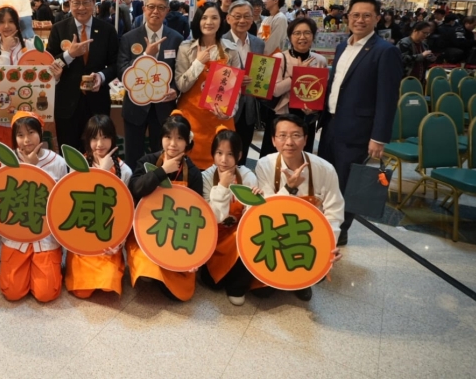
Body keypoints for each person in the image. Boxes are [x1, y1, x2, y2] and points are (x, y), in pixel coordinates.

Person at [318, 0, 401, 246]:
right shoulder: (342, 47)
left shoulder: (385, 51)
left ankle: (340, 231)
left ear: (377, 18)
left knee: (347, 182)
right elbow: (337, 85)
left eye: (366, 15)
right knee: (328, 178)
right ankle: (324, 222)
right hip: (331, 125)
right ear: (348, 18)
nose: (360, 20)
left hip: (358, 131)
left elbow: (387, 98)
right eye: (355, 15)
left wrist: (378, 137)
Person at [256, 114, 344, 301]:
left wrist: (330, 244)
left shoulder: (325, 169)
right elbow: (265, 210)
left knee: (318, 268)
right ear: (273, 140)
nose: (289, 142)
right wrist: (289, 188)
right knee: (262, 291)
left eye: (296, 135)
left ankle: (302, 282)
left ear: (305, 139)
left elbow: (334, 212)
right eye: (282, 136)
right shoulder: (265, 165)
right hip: (276, 230)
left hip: (307, 236)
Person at [127, 112, 204, 301]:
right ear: (161, 138)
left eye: (179, 138)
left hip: (178, 234)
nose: (173, 144)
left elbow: (198, 214)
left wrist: (196, 255)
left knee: (182, 293)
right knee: (146, 270)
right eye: (168, 137)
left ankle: (164, 275)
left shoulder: (193, 173)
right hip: (148, 230)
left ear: (187, 142)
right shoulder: (148, 161)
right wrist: (161, 171)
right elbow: (135, 189)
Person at [0, 112, 69, 302]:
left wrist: (34, 170)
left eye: (31, 133)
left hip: (45, 236)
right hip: (16, 234)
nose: (26, 140)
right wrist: (27, 170)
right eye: (20, 135)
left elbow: (62, 201)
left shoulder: (58, 162)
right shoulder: (8, 160)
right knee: (12, 292)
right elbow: (3, 199)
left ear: (40, 133)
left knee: (46, 294)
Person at [47, 0, 120, 151]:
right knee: (69, 151)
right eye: (76, 3)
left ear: (94, 3)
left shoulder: (107, 30)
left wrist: (101, 76)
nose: (81, 8)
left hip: (97, 102)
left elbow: (116, 64)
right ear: (69, 3)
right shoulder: (59, 29)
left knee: (98, 151)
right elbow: (49, 63)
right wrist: (69, 55)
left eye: (86, 2)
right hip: (67, 103)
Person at [65, 115, 132, 299]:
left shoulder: (124, 170)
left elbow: (125, 211)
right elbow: (70, 203)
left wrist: (119, 243)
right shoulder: (77, 165)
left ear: (113, 139)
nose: (100, 144)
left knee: (108, 285)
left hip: (107, 236)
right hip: (82, 234)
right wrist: (101, 172)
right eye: (94, 138)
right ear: (87, 140)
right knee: (81, 292)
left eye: (105, 137)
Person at [118, 0, 183, 166]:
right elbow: (122, 71)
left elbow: (180, 71)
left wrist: (175, 89)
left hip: (164, 107)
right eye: (151, 6)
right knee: (133, 156)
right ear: (144, 9)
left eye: (161, 8)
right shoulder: (128, 38)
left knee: (162, 156)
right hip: (135, 107)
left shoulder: (176, 39)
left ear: (167, 11)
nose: (156, 11)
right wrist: (146, 55)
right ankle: (134, 183)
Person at [175, 2, 238, 170]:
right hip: (191, 117)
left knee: (220, 167)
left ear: (221, 21)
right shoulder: (186, 48)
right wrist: (198, 63)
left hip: (220, 118)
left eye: (214, 18)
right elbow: (181, 85)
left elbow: (235, 89)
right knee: (188, 169)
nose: (209, 22)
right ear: (198, 21)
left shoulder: (230, 51)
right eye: (204, 18)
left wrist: (229, 112)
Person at [199, 129, 259, 305]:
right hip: (213, 238)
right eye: (219, 153)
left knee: (246, 238)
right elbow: (211, 217)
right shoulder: (206, 177)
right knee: (212, 284)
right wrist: (223, 187)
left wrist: (255, 201)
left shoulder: (247, 176)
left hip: (238, 239)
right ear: (213, 154)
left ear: (239, 155)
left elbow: (251, 219)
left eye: (230, 154)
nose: (223, 160)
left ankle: (237, 286)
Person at [262, 17, 328, 156]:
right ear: (290, 37)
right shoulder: (280, 58)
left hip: (306, 117)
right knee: (276, 158)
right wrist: (297, 74)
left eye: (307, 33)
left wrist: (314, 110)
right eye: (297, 33)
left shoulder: (320, 60)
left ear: (313, 36)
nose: (302, 37)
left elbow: (321, 92)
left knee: (301, 157)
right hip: (282, 115)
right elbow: (275, 90)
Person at [221, 0, 265, 166]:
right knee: (224, 148)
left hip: (249, 105)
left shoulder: (258, 43)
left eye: (247, 16)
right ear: (228, 18)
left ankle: (240, 176)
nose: (242, 20)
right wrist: (235, 80)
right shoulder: (220, 42)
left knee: (243, 147)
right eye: (237, 16)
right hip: (225, 106)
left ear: (253, 19)